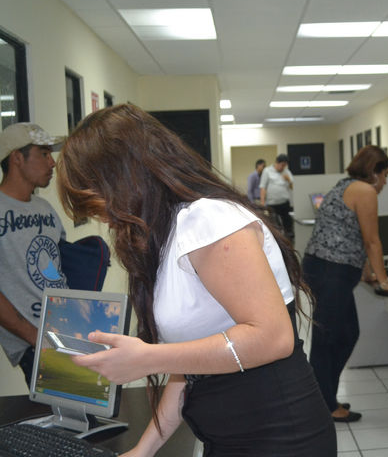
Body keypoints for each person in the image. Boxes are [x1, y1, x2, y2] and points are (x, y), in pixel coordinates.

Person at [55, 104, 335, 456]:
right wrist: (143, 450)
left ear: (123, 177)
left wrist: (149, 358)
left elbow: (273, 338)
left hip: (281, 439)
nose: (102, 216)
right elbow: (189, 367)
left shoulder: (207, 220)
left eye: (96, 199)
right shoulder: (170, 232)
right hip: (230, 437)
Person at [303, 145, 388, 423]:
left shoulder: (345, 185)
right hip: (331, 271)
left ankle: (326, 396)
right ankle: (324, 405)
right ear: (374, 172)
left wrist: (366, 272)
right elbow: (372, 240)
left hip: (325, 269)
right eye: (385, 175)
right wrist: (385, 282)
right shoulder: (365, 191)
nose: (385, 182)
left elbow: (350, 235)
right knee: (328, 340)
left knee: (345, 335)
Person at [0, 122, 66, 386]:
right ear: (17, 157)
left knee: (93, 405)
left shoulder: (45, 208)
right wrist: (37, 338)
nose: (52, 163)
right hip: (34, 342)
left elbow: (59, 268)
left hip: (64, 329)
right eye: (44, 154)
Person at [259, 154, 294, 242]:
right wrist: (262, 203)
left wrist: (288, 180)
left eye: (285, 165)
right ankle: (276, 241)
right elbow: (263, 187)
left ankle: (289, 241)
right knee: (274, 225)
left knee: (288, 224)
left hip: (284, 203)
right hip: (272, 204)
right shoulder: (267, 171)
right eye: (282, 165)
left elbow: (292, 187)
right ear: (277, 163)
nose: (283, 167)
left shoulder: (286, 172)